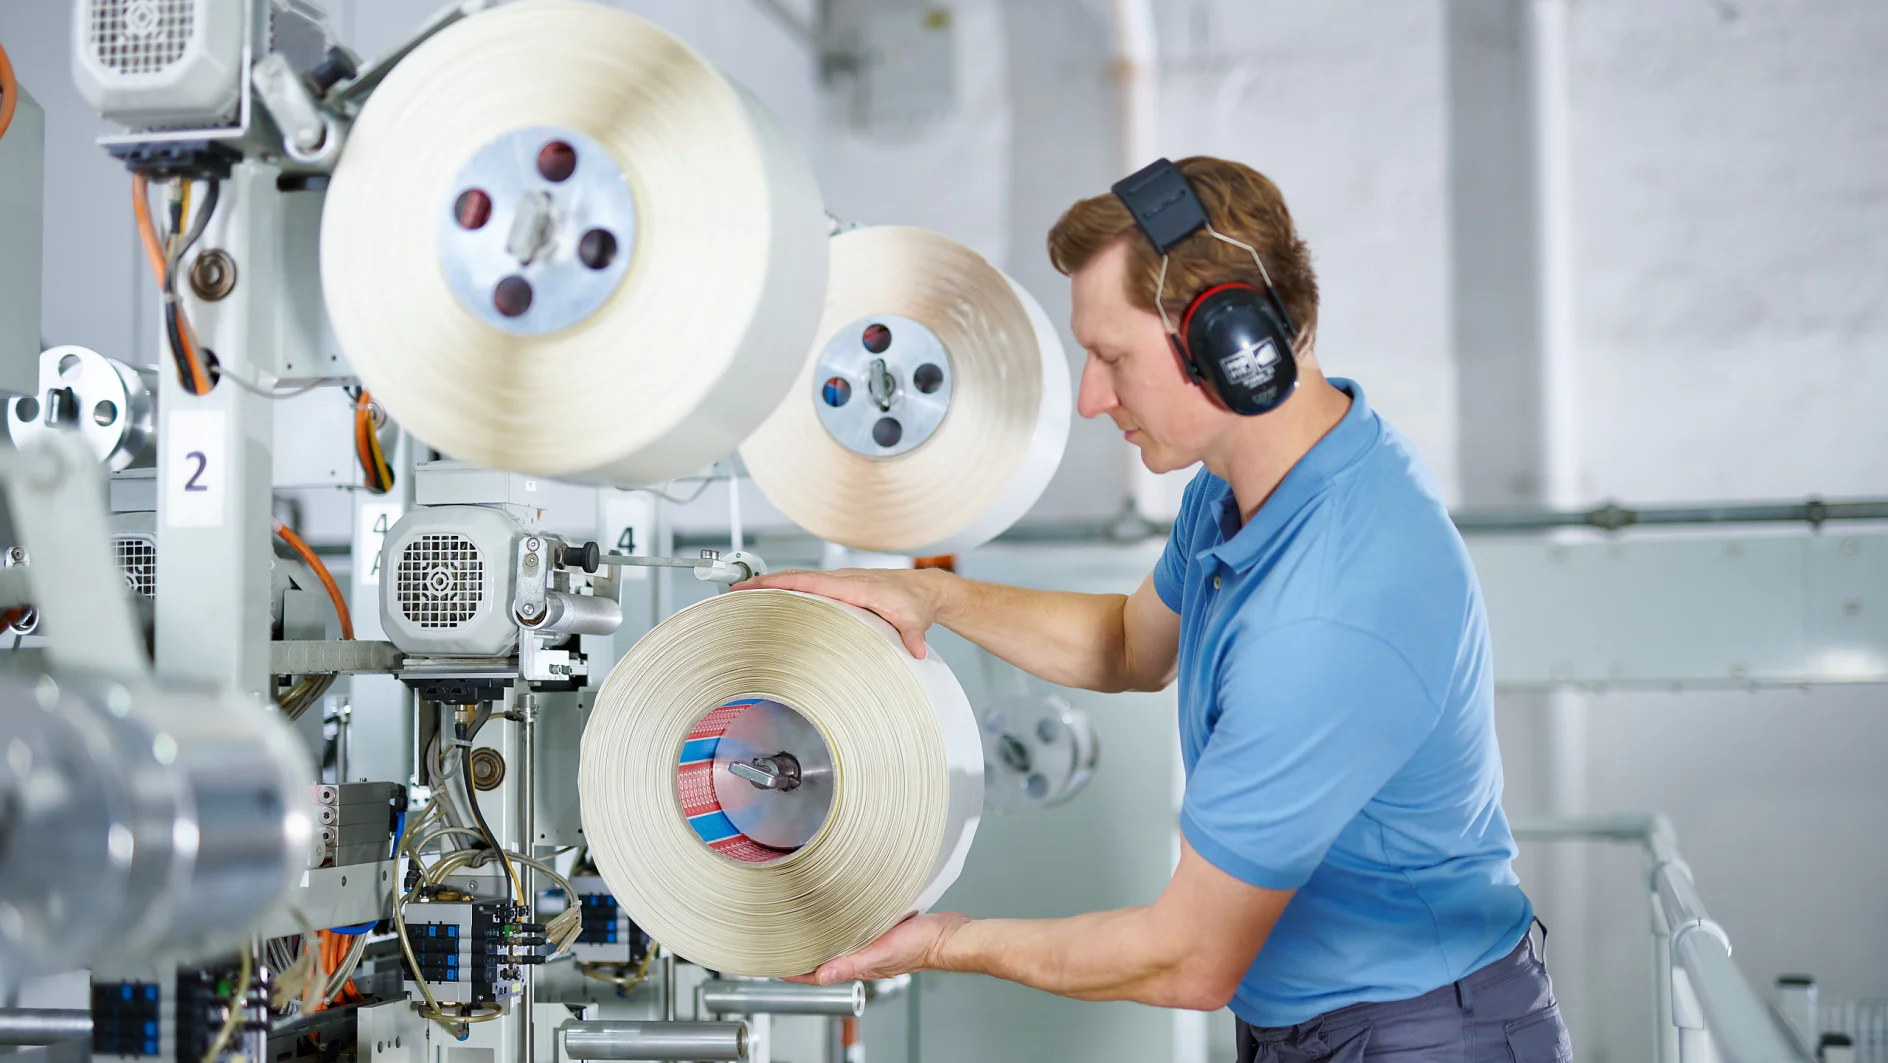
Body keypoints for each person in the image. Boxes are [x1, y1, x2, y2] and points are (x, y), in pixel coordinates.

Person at [736, 156, 1571, 1062]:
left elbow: (1190, 958)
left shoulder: (1330, 609)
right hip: (1314, 1018)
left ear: (1232, 347)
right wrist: (928, 594)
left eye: (1111, 357)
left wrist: (942, 940)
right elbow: (1130, 644)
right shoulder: (1249, 484)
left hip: (1423, 1036)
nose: (1092, 397)